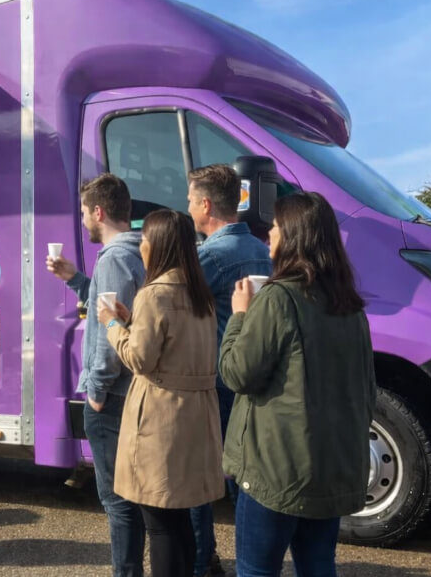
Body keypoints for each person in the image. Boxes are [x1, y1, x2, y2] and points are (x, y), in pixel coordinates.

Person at [219, 192, 376, 577]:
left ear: (292, 235)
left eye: (275, 227)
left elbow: (237, 373)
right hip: (331, 465)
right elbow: (366, 387)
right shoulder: (349, 305)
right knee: (318, 564)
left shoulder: (278, 298)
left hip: (278, 467)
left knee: (256, 570)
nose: (269, 234)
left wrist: (239, 317)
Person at [98, 209, 224, 577]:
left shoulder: (154, 294)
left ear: (158, 246)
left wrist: (111, 324)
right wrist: (130, 321)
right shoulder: (199, 293)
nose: (142, 246)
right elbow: (175, 346)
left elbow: (140, 358)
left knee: (158, 521)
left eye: (145, 240)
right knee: (179, 516)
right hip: (196, 414)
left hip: (161, 417)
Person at [46, 173, 146, 577]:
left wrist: (97, 391)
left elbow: (109, 332)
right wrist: (74, 279)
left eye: (85, 211)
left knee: (118, 500)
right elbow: (113, 308)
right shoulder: (138, 251)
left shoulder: (115, 258)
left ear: (99, 212)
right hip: (131, 391)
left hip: (113, 396)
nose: (84, 219)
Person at [186, 164, 272, 577]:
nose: (188, 207)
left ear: (206, 204)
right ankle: (253, 561)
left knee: (198, 478)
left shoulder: (211, 256)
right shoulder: (261, 247)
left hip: (218, 379)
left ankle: (202, 561)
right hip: (254, 375)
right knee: (246, 478)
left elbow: (170, 303)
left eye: (190, 200)